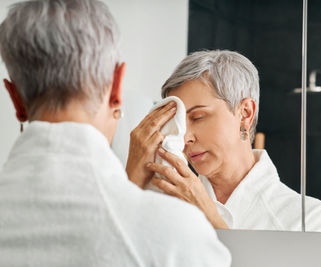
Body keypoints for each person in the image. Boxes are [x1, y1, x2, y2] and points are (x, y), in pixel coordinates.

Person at [0, 1, 231, 266]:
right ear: (116, 87)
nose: (188, 135)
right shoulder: (174, 236)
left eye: (198, 116)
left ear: (15, 98)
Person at [127, 50, 321, 232]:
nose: (185, 138)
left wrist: (208, 214)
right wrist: (132, 177)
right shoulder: (166, 204)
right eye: (179, 123)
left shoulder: (309, 220)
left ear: (245, 113)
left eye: (198, 117)